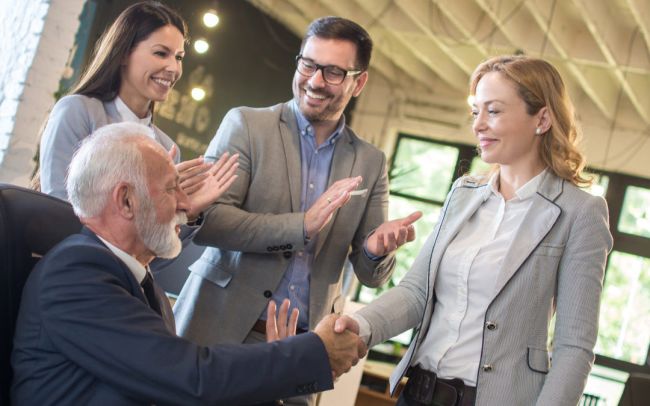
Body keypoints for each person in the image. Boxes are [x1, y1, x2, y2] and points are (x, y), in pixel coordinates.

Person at [11, 122, 366, 406]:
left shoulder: (134, 279)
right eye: (172, 189)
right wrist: (311, 353)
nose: (186, 203)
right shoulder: (75, 275)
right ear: (126, 201)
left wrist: (278, 373)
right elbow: (193, 379)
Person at [335, 55, 614, 406]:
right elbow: (415, 293)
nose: (478, 125)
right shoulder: (463, 194)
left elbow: (574, 346)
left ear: (542, 118)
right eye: (475, 112)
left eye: (493, 111)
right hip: (417, 394)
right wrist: (356, 325)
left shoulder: (580, 212)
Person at [173, 15, 421, 405]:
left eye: (334, 72)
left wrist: (376, 249)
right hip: (221, 328)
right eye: (308, 64)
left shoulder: (370, 162)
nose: (316, 80)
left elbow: (372, 276)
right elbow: (209, 221)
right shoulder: (246, 126)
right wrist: (302, 225)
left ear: (360, 82)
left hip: (302, 348)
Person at [38, 1, 223, 203]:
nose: (173, 68)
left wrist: (185, 210)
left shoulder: (168, 149)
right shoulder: (78, 111)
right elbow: (56, 206)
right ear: (124, 53)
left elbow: (162, 234)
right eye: (161, 53)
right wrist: (151, 198)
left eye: (179, 57)